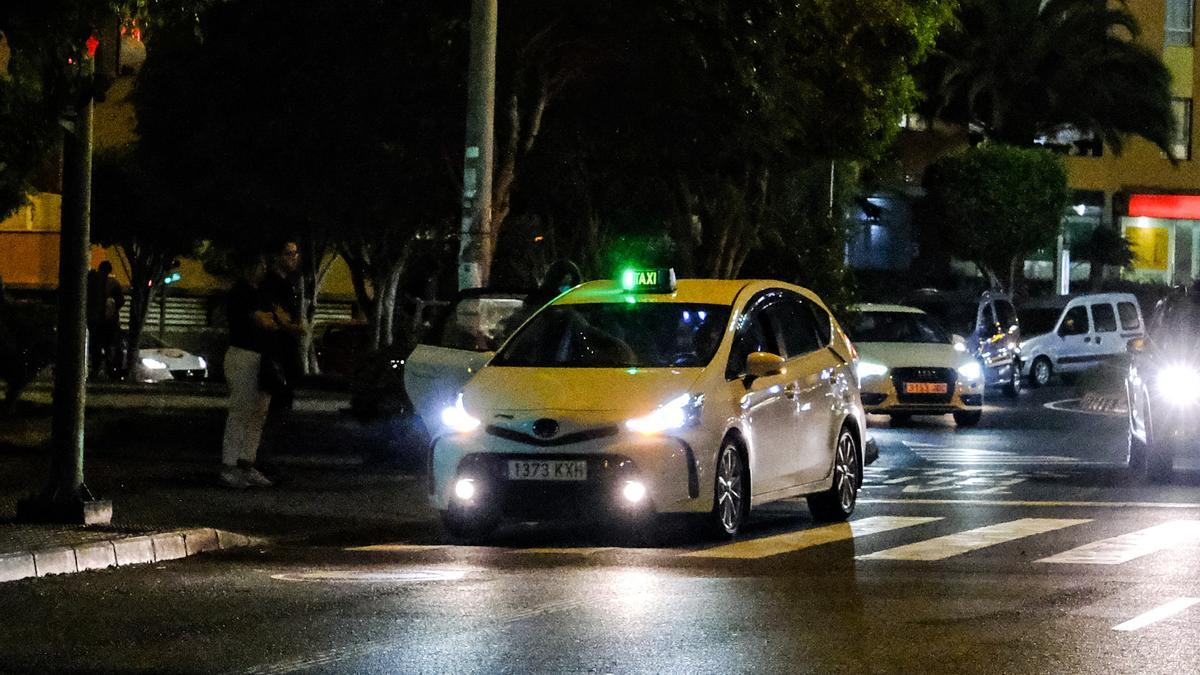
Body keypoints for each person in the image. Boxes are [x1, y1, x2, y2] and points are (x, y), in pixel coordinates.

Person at [219, 251, 282, 489]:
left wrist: (274, 319)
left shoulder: (258, 293)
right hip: (243, 354)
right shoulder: (241, 292)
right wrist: (273, 319)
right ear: (247, 268)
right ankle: (229, 466)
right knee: (241, 411)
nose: (263, 269)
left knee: (258, 413)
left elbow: (276, 319)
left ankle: (246, 464)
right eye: (259, 265)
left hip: (261, 357)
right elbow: (267, 321)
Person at [86, 261, 124, 377]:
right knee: (109, 347)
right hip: (109, 322)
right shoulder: (113, 283)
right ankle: (109, 370)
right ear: (109, 271)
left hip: (95, 321)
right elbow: (121, 301)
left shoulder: (91, 281)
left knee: (95, 346)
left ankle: (95, 370)